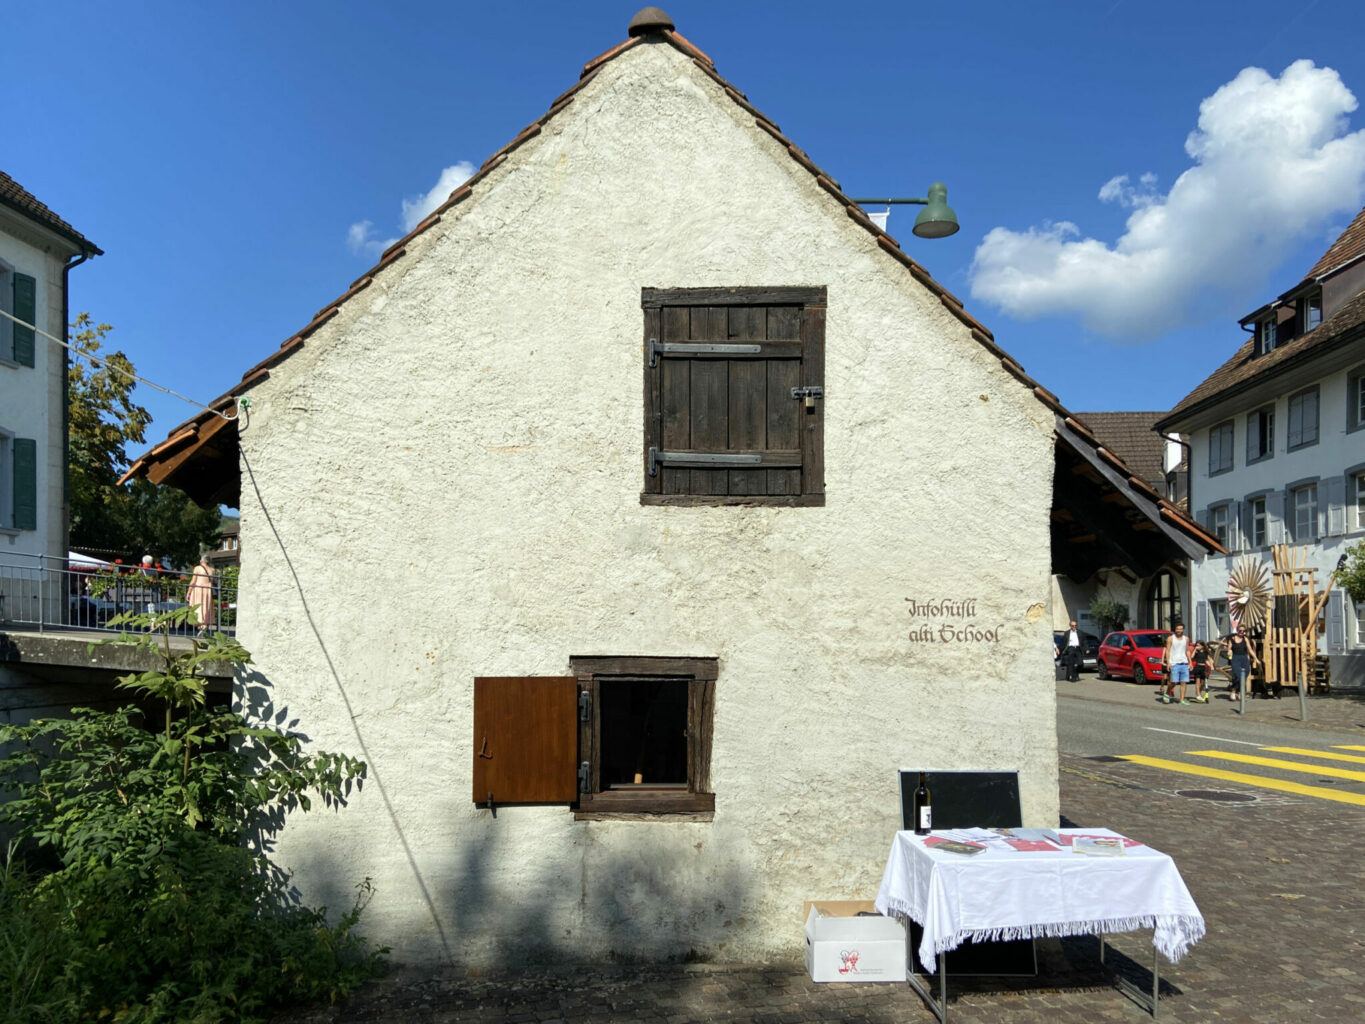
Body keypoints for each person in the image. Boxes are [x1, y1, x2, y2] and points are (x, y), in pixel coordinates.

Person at [1222, 625, 1259, 702]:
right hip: (1235, 658)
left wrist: (1256, 658)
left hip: (1244, 658)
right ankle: (1233, 691)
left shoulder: (1245, 639)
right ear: (1237, 630)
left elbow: (1250, 650)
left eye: (1243, 631)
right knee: (1238, 675)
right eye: (1240, 631)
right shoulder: (1232, 639)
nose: (1242, 632)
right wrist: (1229, 652)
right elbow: (1229, 649)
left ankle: (1239, 692)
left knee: (1245, 675)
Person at [1161, 622, 1192, 705]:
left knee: (1183, 682)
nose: (1179, 630)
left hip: (1184, 662)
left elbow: (1188, 650)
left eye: (1181, 629)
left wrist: (1190, 662)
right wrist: (1168, 662)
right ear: (1175, 629)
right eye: (1178, 629)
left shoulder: (1186, 639)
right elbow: (1167, 650)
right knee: (1174, 682)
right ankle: (1167, 693)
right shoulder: (1170, 638)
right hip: (1174, 663)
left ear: (1183, 630)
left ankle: (1181, 700)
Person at [186, 556, 216, 635]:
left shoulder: (198, 568)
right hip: (208, 590)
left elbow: (193, 581)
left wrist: (189, 592)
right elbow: (214, 581)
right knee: (206, 607)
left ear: (202, 561)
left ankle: (201, 625)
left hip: (199, 589)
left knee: (197, 606)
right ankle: (204, 624)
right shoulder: (212, 570)